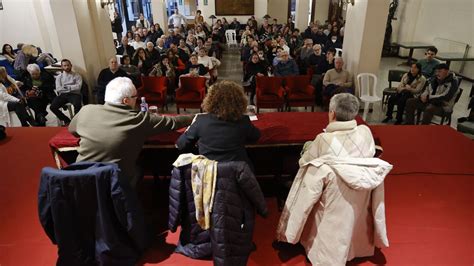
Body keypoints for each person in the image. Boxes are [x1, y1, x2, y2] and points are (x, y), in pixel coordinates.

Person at [69, 77, 194, 187]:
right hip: (112, 182)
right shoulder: (138, 119)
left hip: (79, 179)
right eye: (135, 97)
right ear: (126, 101)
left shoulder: (86, 110)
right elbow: (173, 122)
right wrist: (195, 116)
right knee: (140, 168)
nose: (137, 100)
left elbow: (72, 130)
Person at [176, 80, 260, 168]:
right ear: (239, 101)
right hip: (237, 174)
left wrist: (192, 126)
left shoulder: (200, 120)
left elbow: (181, 144)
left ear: (210, 100)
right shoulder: (244, 120)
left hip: (208, 174)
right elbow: (256, 136)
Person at [300, 93, 375, 165]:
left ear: (332, 114)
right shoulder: (365, 130)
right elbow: (372, 152)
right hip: (361, 175)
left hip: (332, 177)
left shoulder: (323, 139)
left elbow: (303, 163)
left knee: (308, 145)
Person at [51, 59, 83, 125]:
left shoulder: (77, 75)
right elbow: (58, 89)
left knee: (77, 104)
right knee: (53, 107)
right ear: (62, 67)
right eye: (64, 66)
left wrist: (66, 87)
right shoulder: (59, 77)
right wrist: (71, 87)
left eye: (68, 65)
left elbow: (78, 87)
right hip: (63, 95)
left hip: (74, 94)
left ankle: (75, 121)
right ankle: (67, 120)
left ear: (71, 66)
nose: (66, 67)